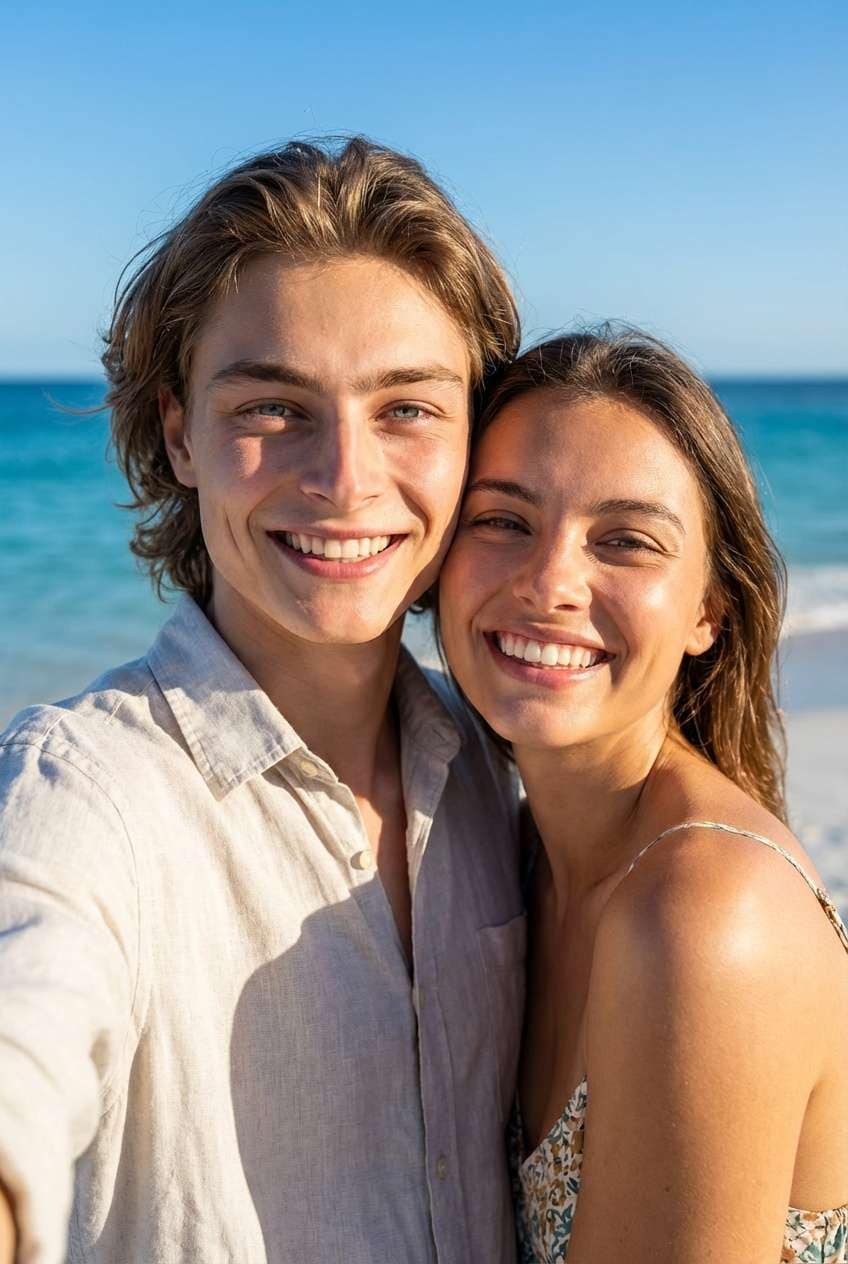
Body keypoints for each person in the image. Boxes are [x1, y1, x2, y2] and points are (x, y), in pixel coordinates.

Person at [0, 138, 527, 1264]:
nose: (344, 476)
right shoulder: (82, 791)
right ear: (180, 432)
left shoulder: (499, 764)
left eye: (406, 409)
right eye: (273, 408)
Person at [438, 328, 848, 1263]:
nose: (549, 584)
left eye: (623, 541)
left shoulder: (704, 919)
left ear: (710, 610)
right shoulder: (515, 853)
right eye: (501, 520)